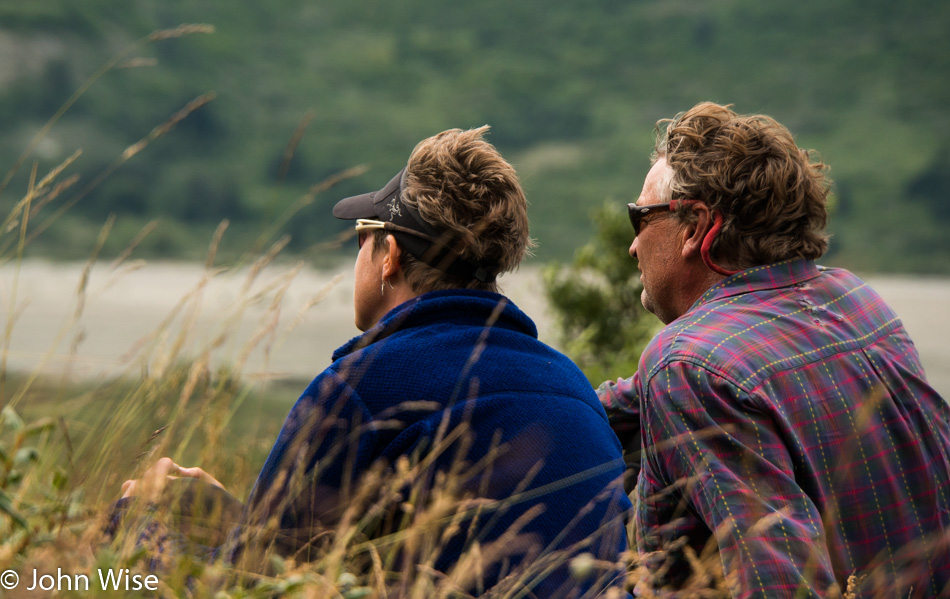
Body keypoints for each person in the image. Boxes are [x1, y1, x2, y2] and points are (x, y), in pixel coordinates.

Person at [120, 126, 632, 596]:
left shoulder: (362, 388)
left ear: (389, 255)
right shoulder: (573, 386)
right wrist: (240, 517)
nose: (358, 248)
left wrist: (137, 522)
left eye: (363, 232)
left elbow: (243, 587)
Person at [598, 102, 950, 597]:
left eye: (640, 217)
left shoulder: (688, 362)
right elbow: (637, 401)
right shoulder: (853, 300)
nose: (633, 246)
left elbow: (779, 582)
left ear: (696, 227)